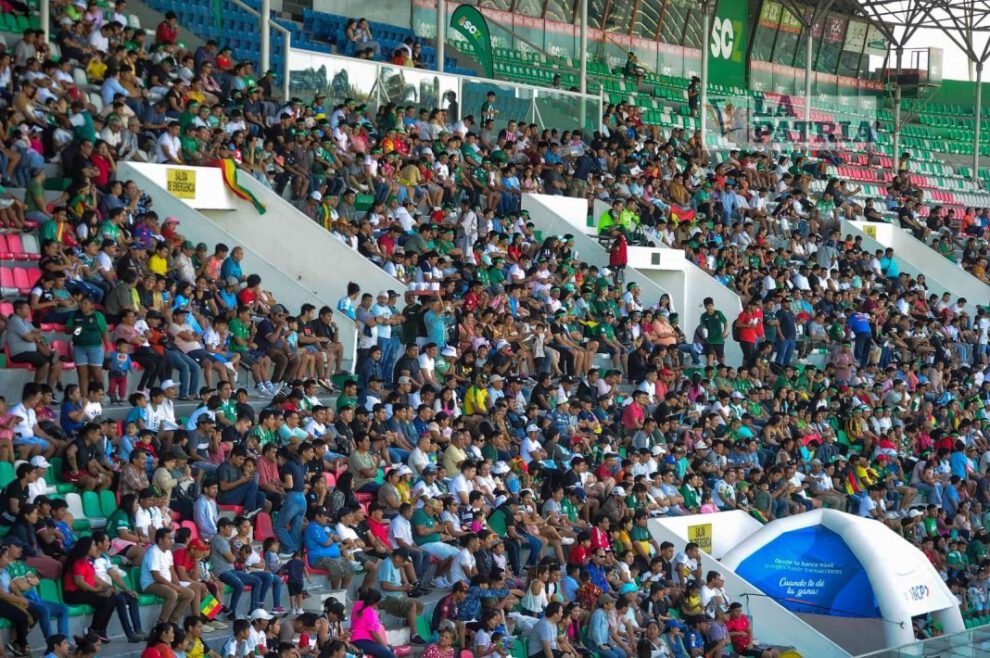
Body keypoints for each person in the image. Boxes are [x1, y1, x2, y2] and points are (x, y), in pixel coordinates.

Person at [62, 536, 116, 643]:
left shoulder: (88, 561)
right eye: (93, 545)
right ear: (86, 548)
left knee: (113, 598)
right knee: (104, 602)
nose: (95, 547)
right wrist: (95, 590)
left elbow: (95, 578)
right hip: (73, 594)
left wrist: (109, 586)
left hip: (83, 592)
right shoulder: (79, 562)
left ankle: (101, 630)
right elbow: (79, 581)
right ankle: (93, 630)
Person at [140, 527, 195, 625]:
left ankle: (173, 622)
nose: (172, 541)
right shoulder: (153, 552)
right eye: (169, 538)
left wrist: (177, 585)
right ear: (160, 540)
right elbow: (156, 577)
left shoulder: (168, 552)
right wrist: (173, 587)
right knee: (172, 594)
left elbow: (171, 570)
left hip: (165, 584)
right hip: (151, 584)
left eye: (172, 538)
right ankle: (162, 624)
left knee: (189, 593)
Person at [350, 589, 395, 658]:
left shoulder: (357, 605)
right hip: (364, 641)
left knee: (390, 649)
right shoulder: (370, 612)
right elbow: (374, 633)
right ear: (376, 602)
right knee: (390, 655)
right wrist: (385, 646)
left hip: (355, 639)